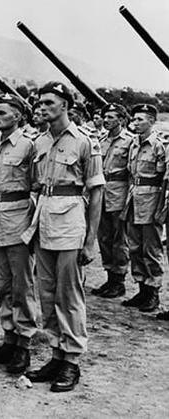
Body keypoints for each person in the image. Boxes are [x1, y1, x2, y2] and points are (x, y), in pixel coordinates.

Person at [22, 82, 104, 392]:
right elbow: (35, 185)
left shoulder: (84, 142)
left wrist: (90, 240)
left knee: (69, 295)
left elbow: (96, 192)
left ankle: (71, 361)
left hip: (70, 225)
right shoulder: (39, 142)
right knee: (46, 293)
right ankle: (56, 354)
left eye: (49, 102)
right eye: (40, 103)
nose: (42, 107)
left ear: (65, 105)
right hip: (43, 223)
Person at [0, 94, 38, 374]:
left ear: (18, 116)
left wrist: (31, 225)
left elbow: (36, 185)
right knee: (2, 284)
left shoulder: (29, 145)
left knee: (21, 285)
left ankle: (24, 344)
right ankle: (9, 338)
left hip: (19, 219)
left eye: (2, 112)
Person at [121, 104, 166, 313]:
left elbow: (164, 179)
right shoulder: (134, 144)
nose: (135, 123)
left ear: (152, 121)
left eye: (140, 119)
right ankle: (142, 290)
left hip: (151, 200)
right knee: (135, 248)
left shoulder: (159, 145)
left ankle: (153, 292)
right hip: (133, 199)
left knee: (151, 249)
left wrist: (160, 209)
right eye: (134, 119)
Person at [92, 103, 133, 299]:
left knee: (120, 239)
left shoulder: (130, 141)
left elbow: (133, 171)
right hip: (102, 192)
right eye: (105, 117)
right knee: (104, 238)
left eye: (110, 117)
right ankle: (110, 277)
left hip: (119, 193)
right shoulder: (101, 140)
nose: (106, 120)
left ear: (121, 120)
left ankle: (119, 280)